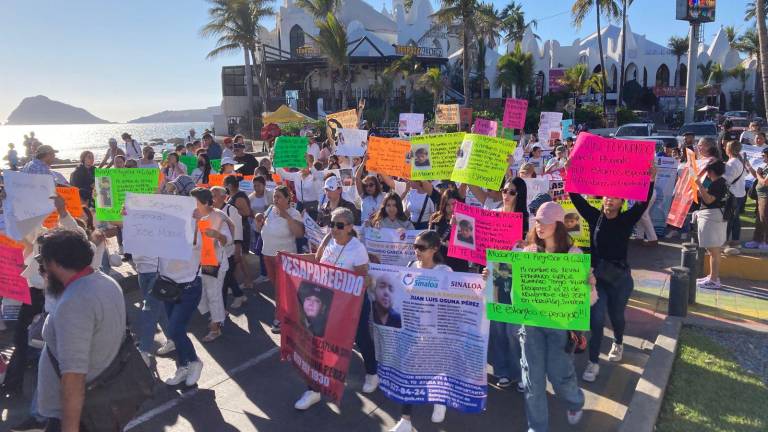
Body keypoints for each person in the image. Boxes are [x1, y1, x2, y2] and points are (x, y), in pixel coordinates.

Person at [483, 202, 597, 432]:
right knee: (532, 381)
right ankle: (537, 427)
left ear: (558, 224)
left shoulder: (574, 255)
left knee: (560, 377)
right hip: (531, 326)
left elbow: (589, 299)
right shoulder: (529, 253)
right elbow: (509, 284)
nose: (539, 226)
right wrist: (491, 275)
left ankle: (575, 401)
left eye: (544, 222)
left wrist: (589, 286)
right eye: (537, 222)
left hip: (560, 327)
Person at [568, 163, 655, 382]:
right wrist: (569, 172)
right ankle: (593, 362)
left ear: (622, 202)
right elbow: (576, 199)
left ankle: (618, 341)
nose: (610, 200)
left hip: (619, 279)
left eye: (615, 197)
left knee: (616, 316)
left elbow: (643, 203)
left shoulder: (627, 220)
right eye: (607, 196)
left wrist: (650, 180)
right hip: (596, 279)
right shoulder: (594, 216)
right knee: (596, 320)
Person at [35, 229, 126, 430]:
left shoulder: (75, 302)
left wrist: (70, 428)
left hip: (79, 416)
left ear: (56, 263)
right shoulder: (105, 282)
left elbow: (74, 376)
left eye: (43, 263)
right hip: (102, 404)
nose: (42, 270)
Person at [293, 207, 377, 410]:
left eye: (339, 225)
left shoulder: (357, 249)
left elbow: (363, 280)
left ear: (349, 227)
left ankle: (372, 373)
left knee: (361, 338)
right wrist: (288, 258)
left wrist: (359, 281)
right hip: (327, 302)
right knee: (318, 343)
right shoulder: (328, 240)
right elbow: (316, 261)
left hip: (352, 305)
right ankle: (313, 390)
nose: (334, 229)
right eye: (332, 224)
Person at [388, 230, 449, 432]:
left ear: (434, 249)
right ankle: (405, 420)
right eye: (415, 247)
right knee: (409, 370)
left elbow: (462, 297)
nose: (417, 251)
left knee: (435, 367)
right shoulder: (410, 267)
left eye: (421, 248)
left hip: (436, 332)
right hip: (412, 330)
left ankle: (439, 397)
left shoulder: (445, 272)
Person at [155, 184, 205, 387]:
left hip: (189, 287)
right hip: (168, 285)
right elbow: (139, 232)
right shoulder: (161, 230)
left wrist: (195, 220)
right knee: (176, 330)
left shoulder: (194, 229)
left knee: (175, 329)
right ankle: (182, 366)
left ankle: (194, 361)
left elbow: (194, 242)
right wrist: (129, 215)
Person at [253, 185, 304, 334]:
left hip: (285, 258)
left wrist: (286, 216)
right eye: (274, 197)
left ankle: (281, 318)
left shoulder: (294, 213)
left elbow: (299, 234)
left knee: (283, 291)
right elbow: (260, 229)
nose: (275, 199)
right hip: (268, 256)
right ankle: (293, 314)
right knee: (278, 290)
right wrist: (258, 221)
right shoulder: (269, 210)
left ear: (288, 198)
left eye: (279, 197)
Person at [190, 188, 234, 342]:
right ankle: (218, 314)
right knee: (204, 294)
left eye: (195, 202)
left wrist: (217, 235)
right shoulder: (192, 215)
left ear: (205, 202)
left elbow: (227, 240)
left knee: (213, 295)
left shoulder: (217, 216)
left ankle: (216, 328)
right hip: (198, 263)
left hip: (215, 263)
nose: (192, 205)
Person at [692, 161, 729, 289]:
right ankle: (713, 276)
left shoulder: (718, 183)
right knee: (713, 249)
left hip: (712, 216)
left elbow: (708, 199)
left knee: (713, 250)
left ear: (711, 172)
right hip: (716, 215)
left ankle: (714, 279)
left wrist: (699, 184)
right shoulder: (722, 181)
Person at [211, 186, 248, 309]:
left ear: (223, 197)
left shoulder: (230, 210)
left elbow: (237, 229)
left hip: (230, 250)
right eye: (211, 195)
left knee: (224, 281)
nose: (212, 198)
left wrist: (238, 248)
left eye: (215, 195)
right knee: (228, 276)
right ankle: (239, 295)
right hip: (217, 252)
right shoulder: (212, 210)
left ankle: (221, 310)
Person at [224, 175, 254, 290]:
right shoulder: (233, 196)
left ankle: (248, 281)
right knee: (238, 258)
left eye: (225, 185)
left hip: (241, 228)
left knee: (240, 257)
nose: (224, 187)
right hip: (236, 228)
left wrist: (232, 212)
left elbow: (246, 212)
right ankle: (236, 283)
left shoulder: (239, 197)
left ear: (230, 186)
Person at [428, 189, 468, 272]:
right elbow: (430, 239)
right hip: (440, 262)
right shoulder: (436, 218)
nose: (451, 208)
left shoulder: (465, 219)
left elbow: (469, 243)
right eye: (448, 205)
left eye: (454, 204)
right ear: (443, 205)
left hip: (459, 263)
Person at [277, 155, 322, 220]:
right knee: (296, 222)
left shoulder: (314, 176)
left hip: (312, 205)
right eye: (301, 166)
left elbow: (320, 190)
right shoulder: (297, 175)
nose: (303, 168)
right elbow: (284, 174)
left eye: (305, 166)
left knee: (311, 225)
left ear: (309, 166)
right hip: (300, 204)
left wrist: (320, 205)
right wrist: (278, 162)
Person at [723, 141, 747, 255]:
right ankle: (736, 241)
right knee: (736, 219)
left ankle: (725, 242)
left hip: (733, 194)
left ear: (729, 150)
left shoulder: (732, 163)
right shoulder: (739, 161)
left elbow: (727, 180)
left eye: (726, 147)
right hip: (740, 193)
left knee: (729, 219)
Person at [745, 148, 768, 249]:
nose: (762, 157)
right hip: (760, 196)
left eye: (763, 155)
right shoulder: (766, 166)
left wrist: (758, 174)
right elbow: (757, 177)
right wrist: (750, 167)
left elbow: (765, 182)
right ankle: (757, 240)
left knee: (764, 219)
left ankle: (765, 241)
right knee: (759, 219)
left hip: (765, 196)